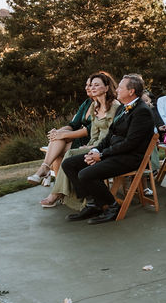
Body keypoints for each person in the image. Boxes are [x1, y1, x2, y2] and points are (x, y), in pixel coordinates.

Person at [61, 74, 155, 224]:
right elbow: (109, 135)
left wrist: (102, 155)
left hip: (130, 158)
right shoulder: (122, 108)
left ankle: (112, 206)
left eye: (120, 87)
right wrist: (96, 151)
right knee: (69, 164)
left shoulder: (142, 112)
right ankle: (94, 204)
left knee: (86, 174)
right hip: (114, 153)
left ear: (131, 91)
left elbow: (130, 144)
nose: (116, 89)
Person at [39, 72, 120, 209]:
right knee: (68, 154)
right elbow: (94, 133)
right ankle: (75, 194)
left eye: (96, 85)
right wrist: (88, 145)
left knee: (70, 155)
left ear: (106, 88)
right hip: (93, 145)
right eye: (90, 85)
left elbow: (111, 135)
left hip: (105, 148)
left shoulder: (115, 107)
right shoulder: (95, 106)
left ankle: (70, 195)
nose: (92, 88)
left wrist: (94, 147)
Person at [27, 79, 95, 186]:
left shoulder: (106, 105)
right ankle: (47, 171)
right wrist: (58, 131)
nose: (87, 88)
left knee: (58, 149)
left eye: (91, 85)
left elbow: (90, 130)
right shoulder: (87, 103)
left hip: (92, 141)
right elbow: (73, 125)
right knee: (58, 142)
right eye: (86, 85)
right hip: (79, 138)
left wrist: (63, 134)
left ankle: (48, 175)